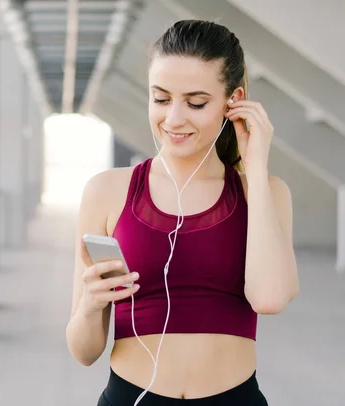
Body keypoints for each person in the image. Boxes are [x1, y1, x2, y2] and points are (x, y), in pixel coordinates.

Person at [65, 19, 299, 406]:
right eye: (160, 99)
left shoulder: (265, 193)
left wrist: (254, 167)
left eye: (196, 102)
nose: (173, 119)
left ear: (233, 101)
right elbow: (83, 351)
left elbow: (269, 298)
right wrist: (91, 305)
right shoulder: (106, 192)